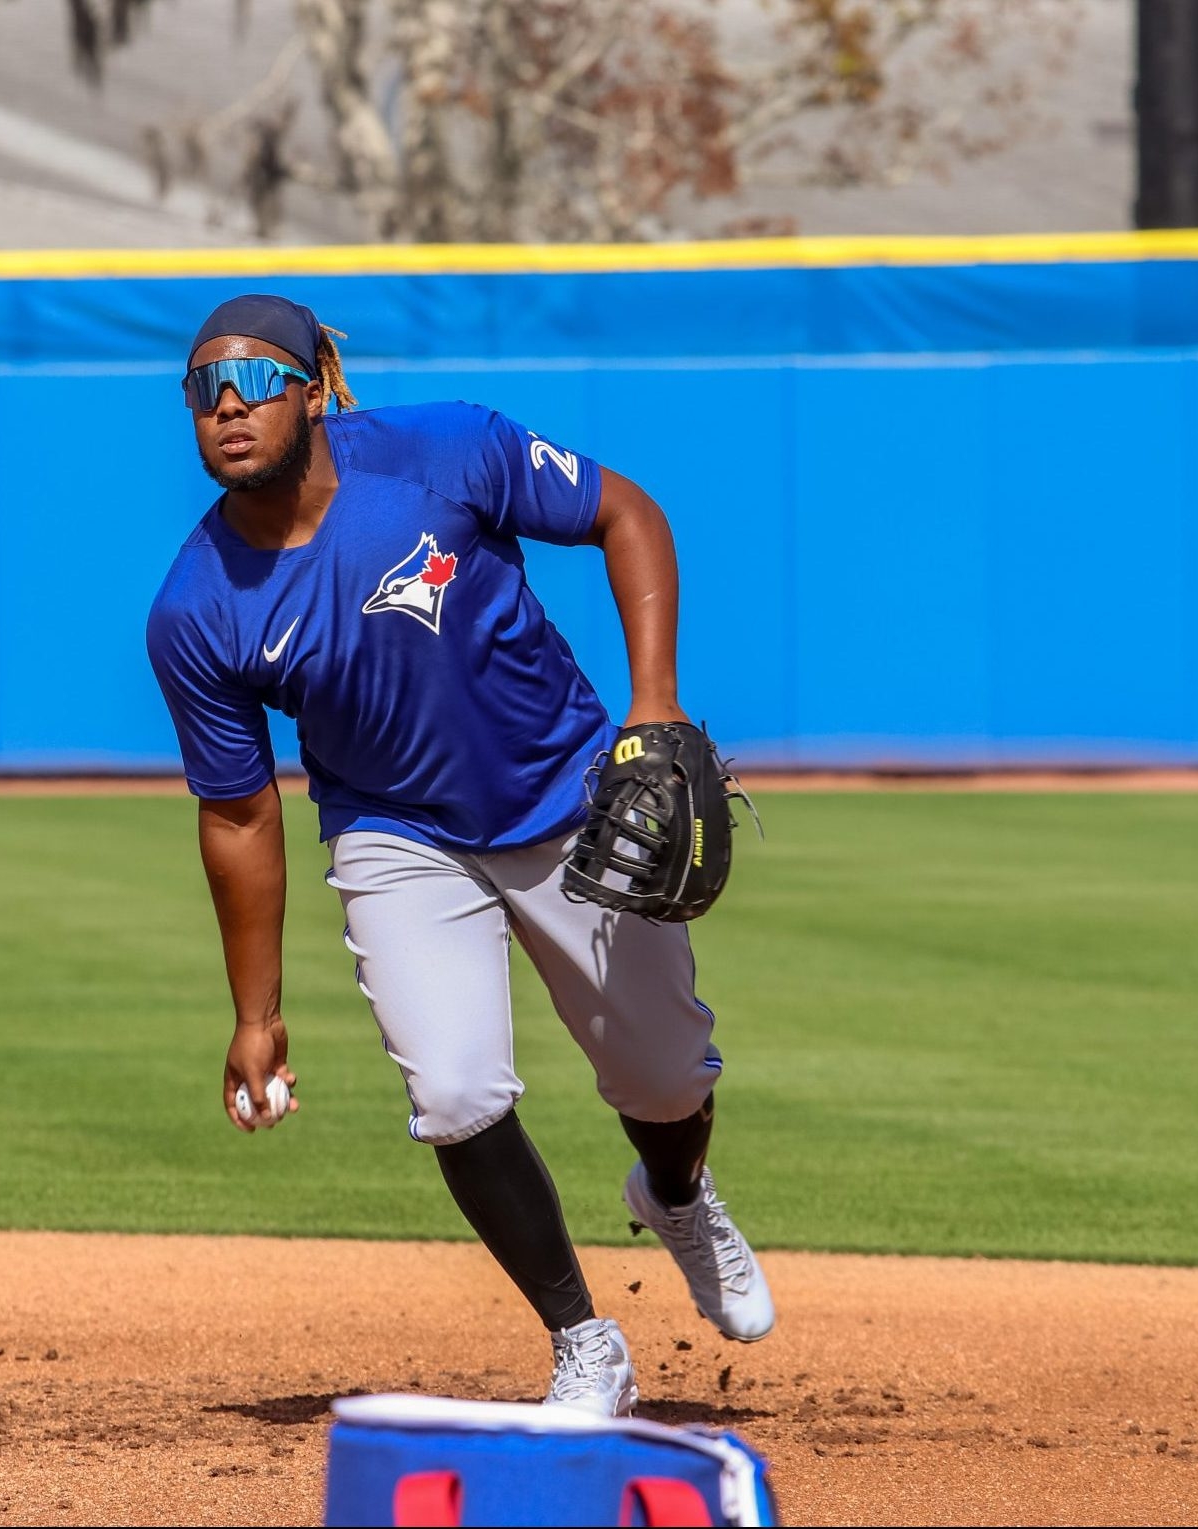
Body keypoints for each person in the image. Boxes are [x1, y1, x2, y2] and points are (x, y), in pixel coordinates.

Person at [145, 294, 773, 1418]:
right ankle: (585, 1340)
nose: (227, 405)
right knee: (455, 1090)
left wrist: (656, 707)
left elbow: (626, 513)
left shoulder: (447, 450)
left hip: (565, 792)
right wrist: (255, 1010)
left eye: (253, 380)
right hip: (396, 832)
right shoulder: (198, 608)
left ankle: (674, 1192)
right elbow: (238, 814)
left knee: (664, 1075)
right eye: (202, 388)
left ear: (318, 386)